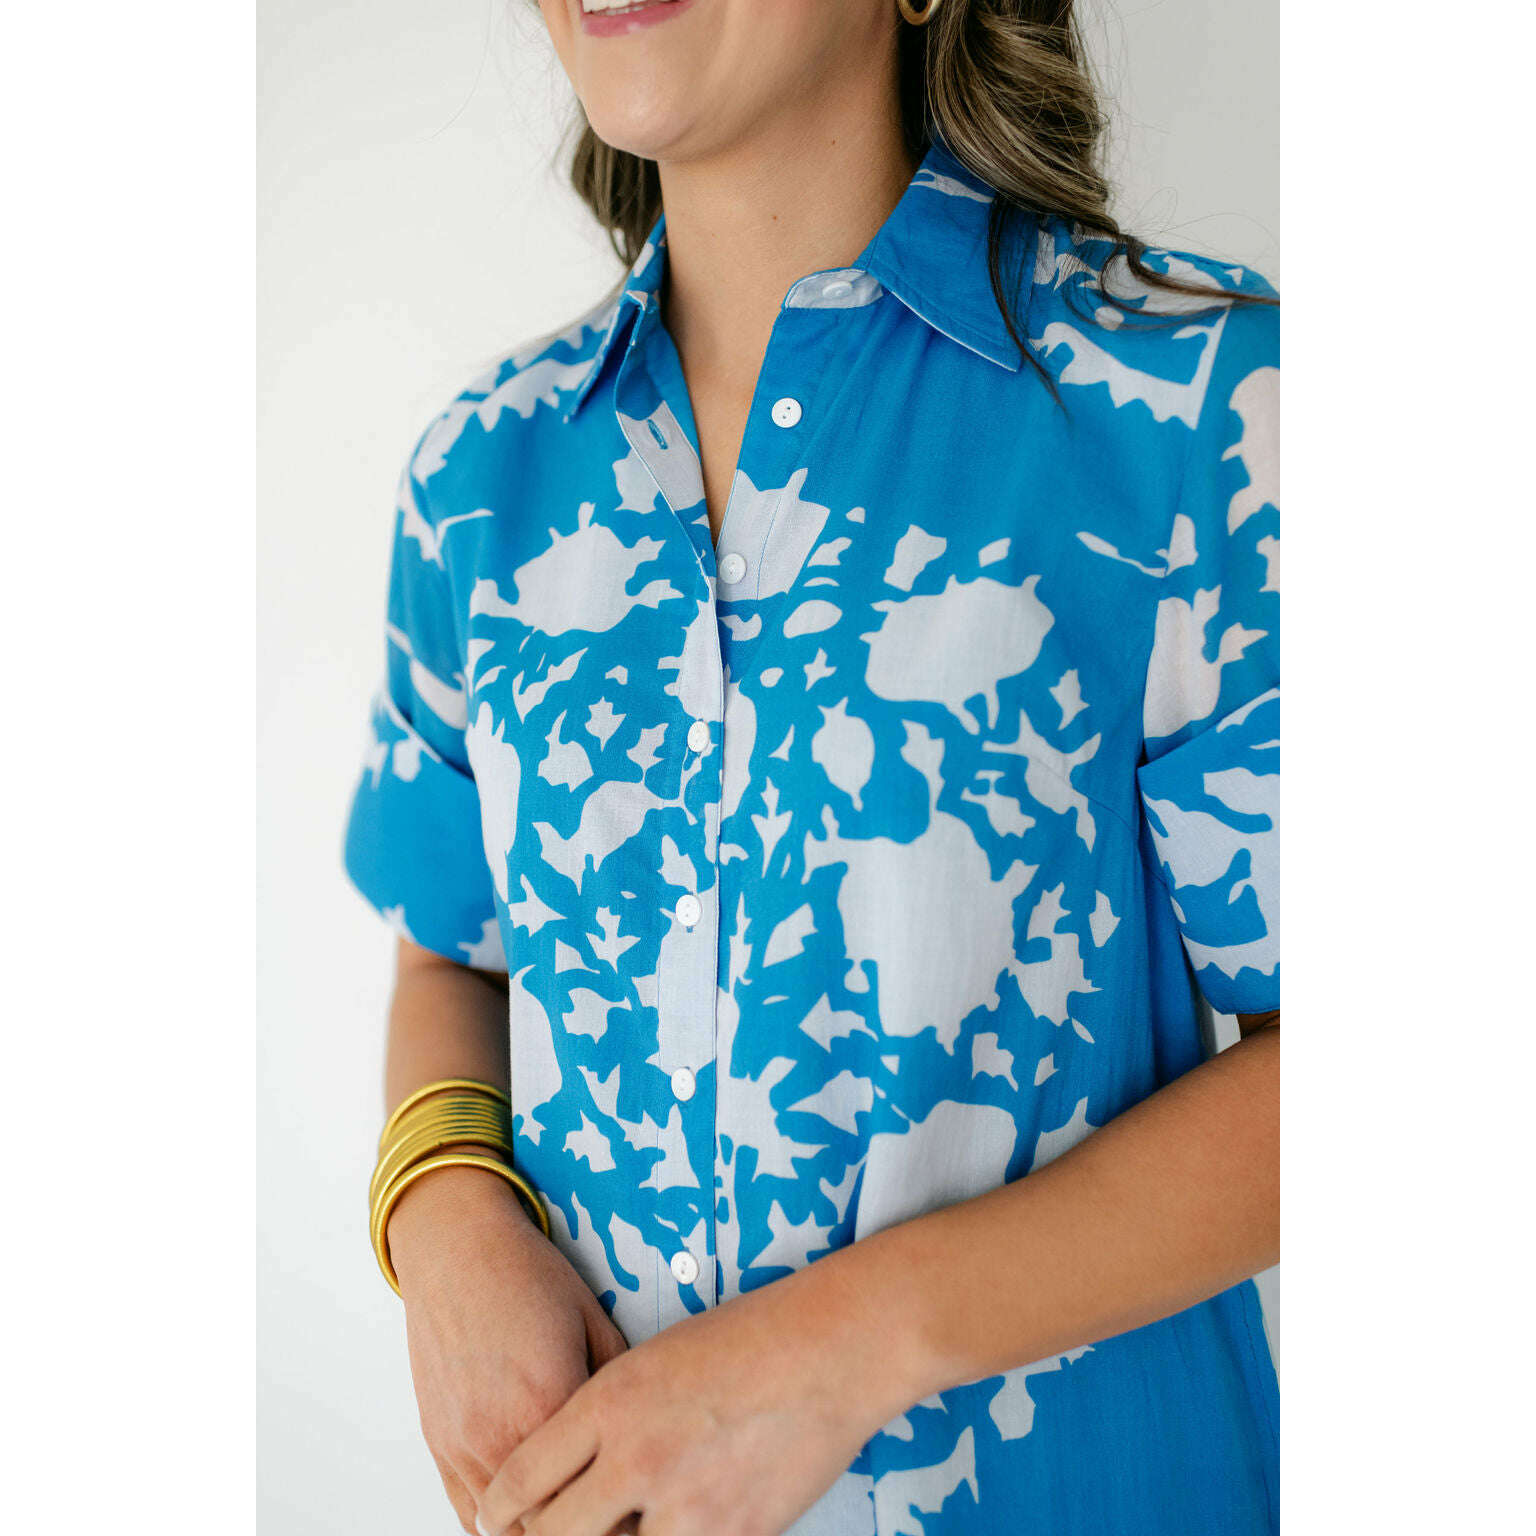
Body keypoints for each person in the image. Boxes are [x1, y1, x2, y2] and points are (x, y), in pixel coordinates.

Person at [342, 1, 1280, 1532]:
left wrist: (841, 1350)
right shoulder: (478, 476)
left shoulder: (1200, 410)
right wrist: (444, 1214)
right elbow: (450, 950)